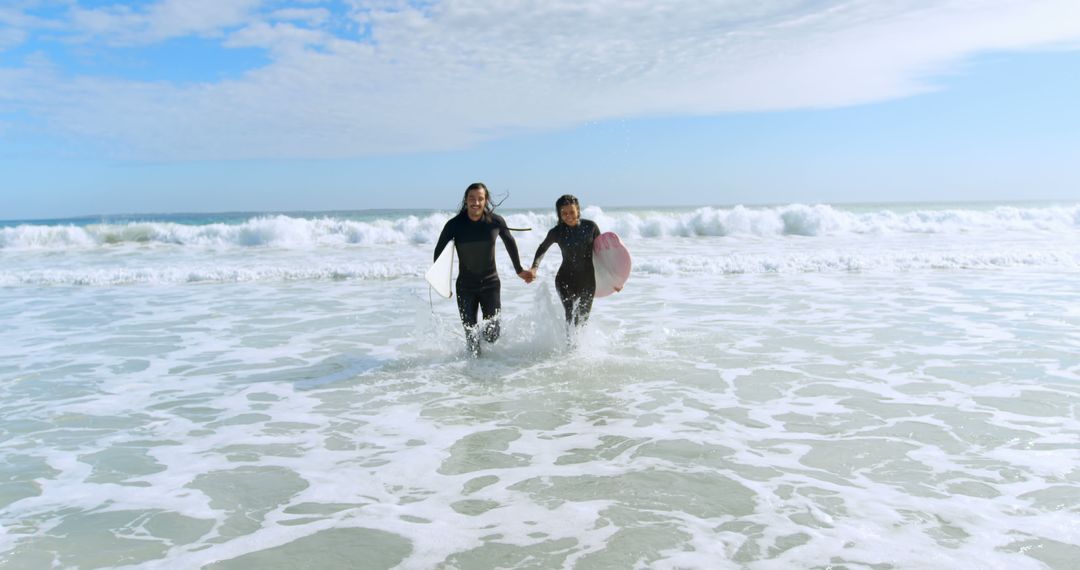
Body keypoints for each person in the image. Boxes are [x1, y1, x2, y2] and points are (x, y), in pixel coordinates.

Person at [433, 182, 532, 356]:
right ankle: (474, 376)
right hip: (465, 287)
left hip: (491, 285)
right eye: (472, 198)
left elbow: (510, 242)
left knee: (492, 334)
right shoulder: (454, 225)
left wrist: (519, 270)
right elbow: (439, 251)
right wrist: (439, 279)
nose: (476, 202)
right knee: (471, 339)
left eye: (480, 198)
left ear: (486, 201)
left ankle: (489, 368)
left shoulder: (495, 222)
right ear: (466, 200)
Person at [525, 194, 612, 328]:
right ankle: (570, 348)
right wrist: (534, 267)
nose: (568, 216)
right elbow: (542, 248)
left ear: (578, 210)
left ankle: (579, 348)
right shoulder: (557, 232)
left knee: (582, 320)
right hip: (565, 280)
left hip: (588, 281)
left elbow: (602, 254)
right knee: (570, 315)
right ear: (559, 214)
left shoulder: (591, 227)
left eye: (572, 211)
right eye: (564, 213)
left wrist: (615, 280)